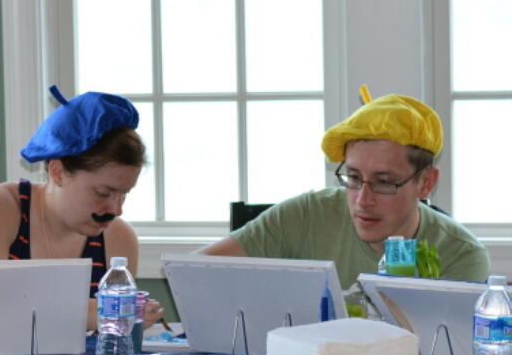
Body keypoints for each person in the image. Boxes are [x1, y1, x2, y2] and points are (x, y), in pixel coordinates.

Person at [201, 93, 489, 288]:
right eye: (353, 177)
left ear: (425, 183)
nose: (363, 200)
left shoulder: (460, 255)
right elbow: (197, 270)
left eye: (384, 182)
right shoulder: (307, 214)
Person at [0, 85, 161, 330]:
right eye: (103, 193)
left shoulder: (118, 237)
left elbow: (112, 341)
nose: (116, 209)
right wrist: (103, 311)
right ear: (57, 172)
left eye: (124, 194)